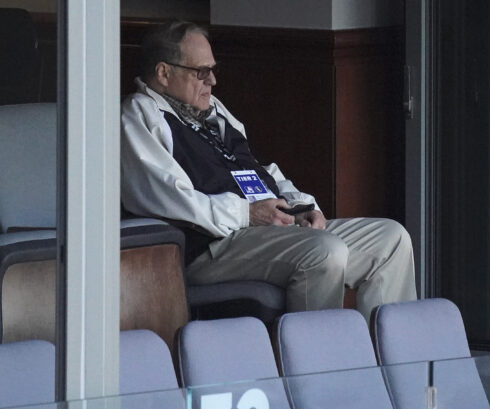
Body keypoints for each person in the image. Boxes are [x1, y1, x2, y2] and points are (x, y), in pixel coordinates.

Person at [120, 21, 416, 322]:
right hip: (214, 246)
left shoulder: (212, 110)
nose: (212, 80)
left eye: (213, 70)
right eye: (201, 72)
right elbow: (170, 198)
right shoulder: (139, 115)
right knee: (324, 251)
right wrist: (248, 214)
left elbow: (261, 170)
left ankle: (390, 351)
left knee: (391, 240)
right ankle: (317, 352)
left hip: (267, 230)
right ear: (163, 73)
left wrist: (301, 207)